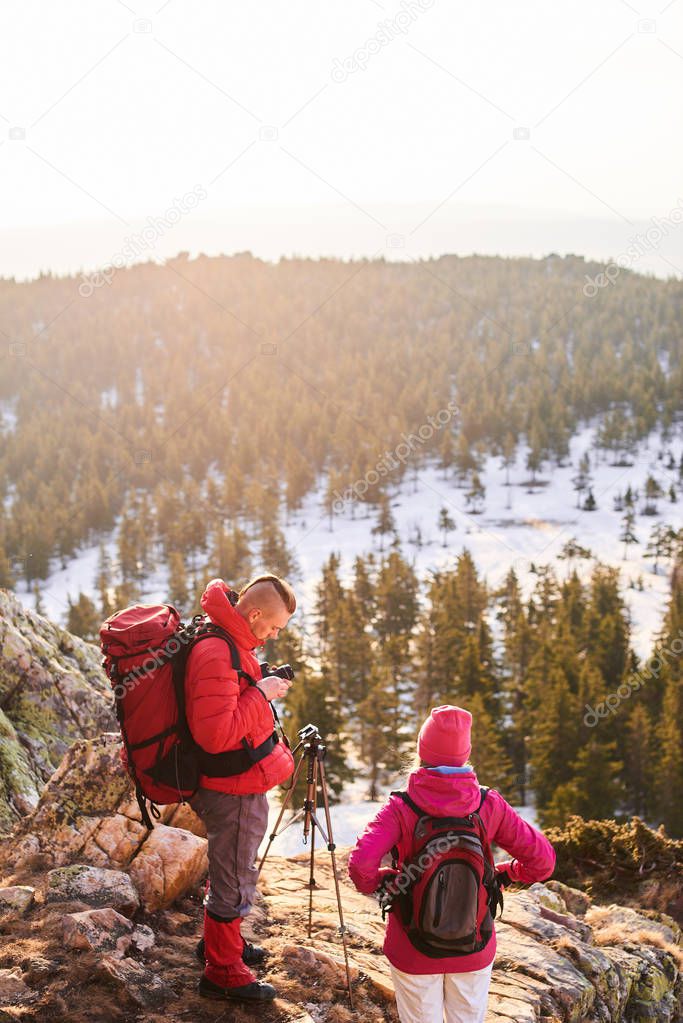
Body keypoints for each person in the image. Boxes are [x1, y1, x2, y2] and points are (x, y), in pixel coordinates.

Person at [348, 705, 556, 1023]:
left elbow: (361, 865)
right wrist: (506, 873)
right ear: (465, 754)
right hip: (474, 945)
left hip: (412, 946)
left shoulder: (401, 806)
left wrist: (386, 881)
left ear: (422, 750)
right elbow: (542, 861)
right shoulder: (489, 804)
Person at [185, 574, 296, 1003]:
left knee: (232, 867)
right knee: (234, 875)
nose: (272, 636)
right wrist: (262, 695)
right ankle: (224, 971)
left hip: (238, 782)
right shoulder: (216, 650)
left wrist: (257, 683)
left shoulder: (232, 641)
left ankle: (220, 945)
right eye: (273, 627)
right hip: (230, 788)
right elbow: (215, 734)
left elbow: (228, 699)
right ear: (253, 614)